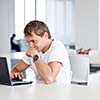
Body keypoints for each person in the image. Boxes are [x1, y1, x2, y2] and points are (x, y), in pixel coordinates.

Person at [10, 20, 72, 84]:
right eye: (28, 42)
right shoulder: (36, 48)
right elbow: (15, 69)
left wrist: (35, 56)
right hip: (40, 90)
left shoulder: (57, 48)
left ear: (45, 36)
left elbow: (49, 79)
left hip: (58, 91)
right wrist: (15, 74)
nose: (31, 45)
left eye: (34, 41)